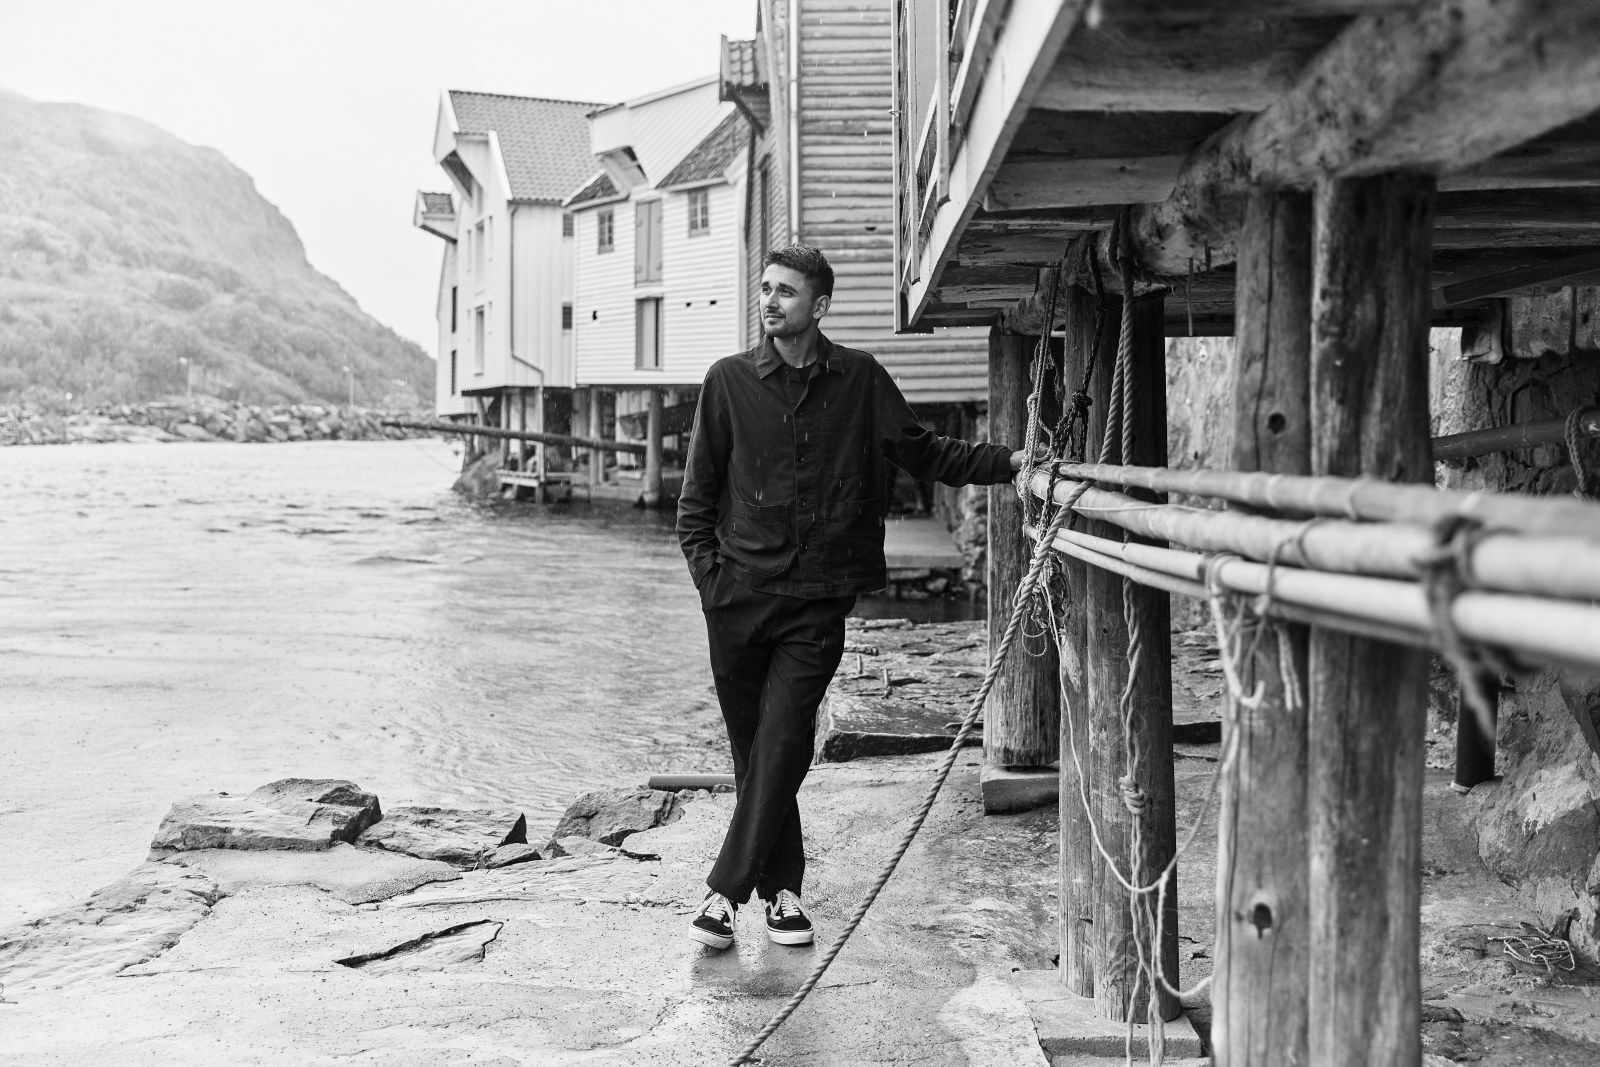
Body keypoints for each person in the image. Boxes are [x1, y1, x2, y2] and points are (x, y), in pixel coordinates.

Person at [676, 244, 1025, 950]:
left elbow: (925, 451)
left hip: (817, 602)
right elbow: (694, 506)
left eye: (786, 291)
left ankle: (723, 894)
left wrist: (1010, 460)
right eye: (766, 289)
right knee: (758, 756)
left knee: (783, 741)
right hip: (737, 601)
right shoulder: (728, 382)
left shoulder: (861, 380)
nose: (769, 300)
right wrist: (714, 585)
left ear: (821, 305)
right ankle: (784, 896)